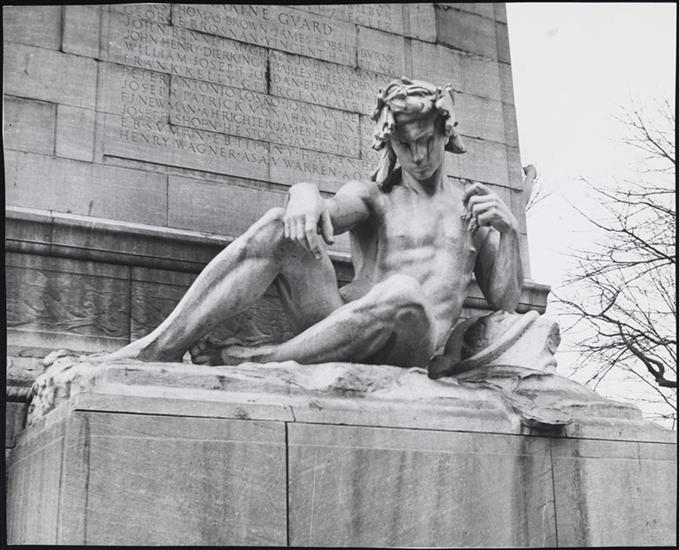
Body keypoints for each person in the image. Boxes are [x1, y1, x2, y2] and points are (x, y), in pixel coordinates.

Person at [99, 77, 523, 368]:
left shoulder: (473, 209)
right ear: (390, 143)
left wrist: (508, 235)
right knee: (277, 226)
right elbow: (326, 214)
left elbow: (504, 302)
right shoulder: (375, 196)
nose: (418, 155)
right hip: (338, 323)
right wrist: (302, 192)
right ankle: (158, 349)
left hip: (410, 343)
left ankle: (260, 359)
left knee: (403, 292)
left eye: (427, 140)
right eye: (404, 144)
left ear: (446, 132)